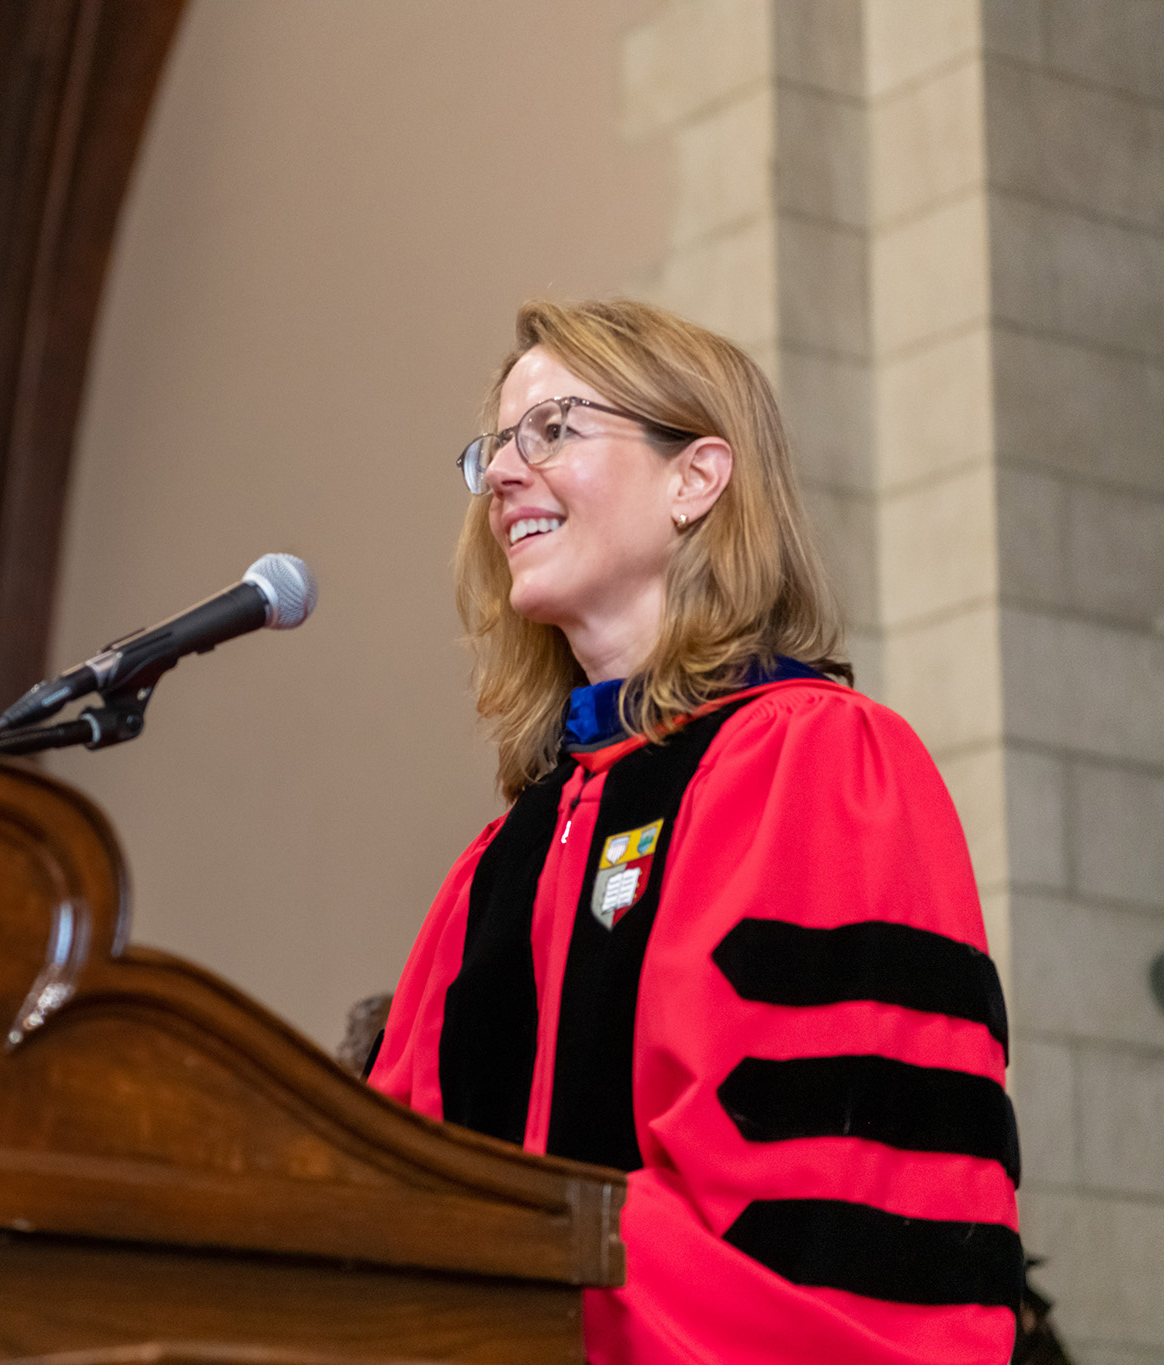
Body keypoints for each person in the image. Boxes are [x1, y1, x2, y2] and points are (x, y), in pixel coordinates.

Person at [366, 299, 1021, 1364]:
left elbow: (822, 1221)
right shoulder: (502, 860)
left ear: (695, 477)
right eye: (494, 446)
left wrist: (514, 1289)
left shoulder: (814, 763)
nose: (500, 476)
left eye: (554, 430)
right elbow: (388, 1175)